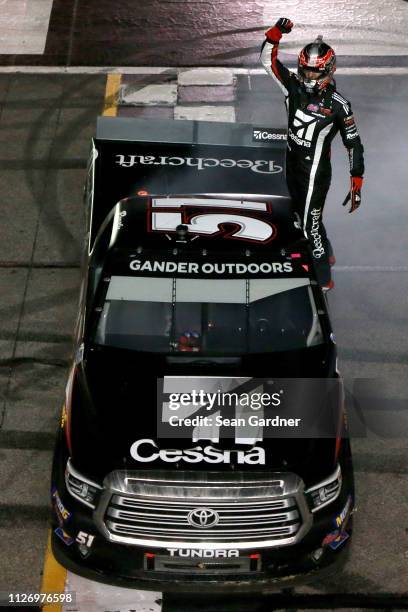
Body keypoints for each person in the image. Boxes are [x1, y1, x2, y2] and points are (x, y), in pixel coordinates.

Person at [260, 18, 365, 289]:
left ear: (328, 70)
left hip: (315, 174)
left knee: (310, 226)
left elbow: (353, 143)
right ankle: (327, 254)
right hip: (291, 163)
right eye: (305, 70)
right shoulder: (292, 87)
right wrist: (276, 34)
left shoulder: (339, 105)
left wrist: (356, 181)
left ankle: (323, 282)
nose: (308, 77)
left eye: (314, 72)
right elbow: (266, 61)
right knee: (304, 216)